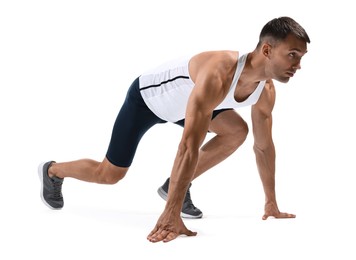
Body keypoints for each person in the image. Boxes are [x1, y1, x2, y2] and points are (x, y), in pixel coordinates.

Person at [38, 16, 310, 243]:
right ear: (266, 50)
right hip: (148, 101)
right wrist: (171, 215)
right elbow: (188, 146)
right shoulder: (219, 73)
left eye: (301, 57)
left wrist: (271, 203)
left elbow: (263, 147)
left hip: (188, 107)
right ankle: (52, 170)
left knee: (237, 131)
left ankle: (173, 187)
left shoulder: (266, 91)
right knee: (109, 175)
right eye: (292, 55)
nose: (298, 65)